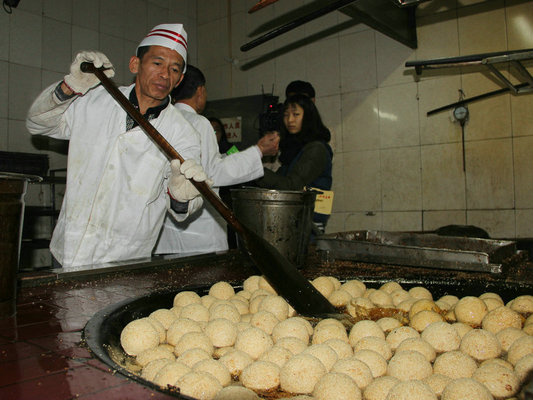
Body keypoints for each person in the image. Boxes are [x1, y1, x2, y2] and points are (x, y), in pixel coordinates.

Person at [26, 24, 210, 268]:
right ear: (135, 64)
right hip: (69, 249)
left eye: (174, 69)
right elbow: (37, 123)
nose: (165, 74)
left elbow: (183, 206)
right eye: (157, 63)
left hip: (126, 259)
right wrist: (70, 87)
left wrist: (181, 194)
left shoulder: (183, 133)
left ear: (179, 80)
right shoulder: (95, 100)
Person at [154, 65, 279, 255]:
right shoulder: (198, 122)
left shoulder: (160, 121)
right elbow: (214, 172)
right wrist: (259, 151)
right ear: (200, 91)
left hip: (166, 237)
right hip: (200, 238)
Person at [255, 93, 333, 233]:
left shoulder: (316, 149)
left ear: (308, 117)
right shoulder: (294, 150)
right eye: (286, 115)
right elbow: (279, 181)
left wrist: (253, 169)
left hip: (309, 230)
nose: (290, 120)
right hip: (294, 224)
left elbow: (290, 186)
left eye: (296, 114)